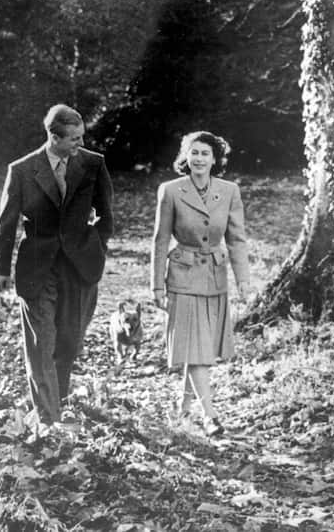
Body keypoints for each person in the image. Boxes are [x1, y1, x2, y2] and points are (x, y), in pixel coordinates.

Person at [0, 104, 114, 433]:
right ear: (53, 136)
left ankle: (55, 402)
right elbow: (7, 222)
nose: (80, 143)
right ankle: (49, 419)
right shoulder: (22, 170)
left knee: (69, 342)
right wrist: (1, 267)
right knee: (41, 343)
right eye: (74, 138)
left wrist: (97, 246)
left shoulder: (92, 164)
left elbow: (106, 215)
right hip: (38, 267)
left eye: (81, 137)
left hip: (80, 268)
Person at [151, 130, 249, 437]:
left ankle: (183, 409)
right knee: (195, 349)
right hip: (182, 276)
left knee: (199, 347)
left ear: (215, 159)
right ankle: (210, 415)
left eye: (205, 154)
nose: (199, 159)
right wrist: (156, 285)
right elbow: (160, 239)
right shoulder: (170, 190)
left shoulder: (229, 191)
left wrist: (244, 282)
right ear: (185, 157)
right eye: (193, 153)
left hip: (215, 279)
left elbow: (237, 239)